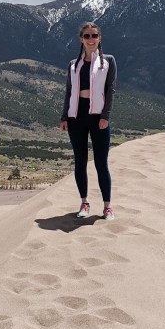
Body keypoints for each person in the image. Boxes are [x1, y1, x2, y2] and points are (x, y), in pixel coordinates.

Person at [60, 22, 117, 220]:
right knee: (80, 162)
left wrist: (105, 116)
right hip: (76, 116)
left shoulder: (108, 61)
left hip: (98, 116)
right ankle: (84, 203)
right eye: (87, 36)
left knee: (101, 163)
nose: (90, 39)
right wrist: (64, 116)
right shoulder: (73, 64)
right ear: (81, 39)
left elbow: (110, 90)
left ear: (100, 38)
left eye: (94, 35)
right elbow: (69, 91)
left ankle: (107, 207)